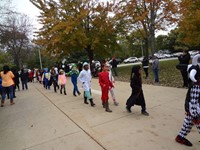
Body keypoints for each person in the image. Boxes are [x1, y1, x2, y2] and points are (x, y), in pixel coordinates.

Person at [175, 54, 200, 147]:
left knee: (187, 124)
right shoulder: (196, 86)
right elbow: (193, 101)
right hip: (196, 112)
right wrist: (196, 116)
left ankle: (180, 137)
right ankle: (180, 137)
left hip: (193, 112)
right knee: (189, 123)